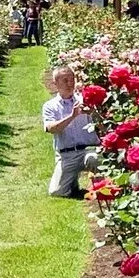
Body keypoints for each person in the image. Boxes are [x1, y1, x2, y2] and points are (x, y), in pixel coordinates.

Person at [41, 64, 99, 198]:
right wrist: (72, 116)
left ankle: (101, 189)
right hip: (67, 155)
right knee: (57, 192)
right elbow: (51, 129)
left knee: (94, 158)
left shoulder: (84, 100)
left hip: (89, 149)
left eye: (72, 79)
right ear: (55, 84)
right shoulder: (50, 106)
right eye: (65, 80)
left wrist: (94, 114)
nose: (70, 84)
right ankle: (72, 182)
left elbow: (104, 126)